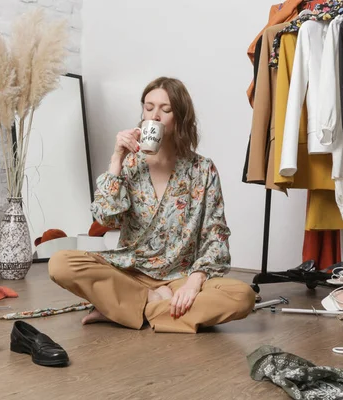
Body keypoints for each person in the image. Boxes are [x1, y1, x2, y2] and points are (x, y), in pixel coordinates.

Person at [48, 77, 255, 333]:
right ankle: (151, 304)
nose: (154, 116)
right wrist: (116, 159)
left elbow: (216, 234)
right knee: (60, 263)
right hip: (129, 272)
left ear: (180, 117)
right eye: (148, 107)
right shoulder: (130, 164)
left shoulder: (202, 169)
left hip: (179, 277)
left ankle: (123, 309)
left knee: (242, 296)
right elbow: (105, 219)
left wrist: (194, 282)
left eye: (165, 110)